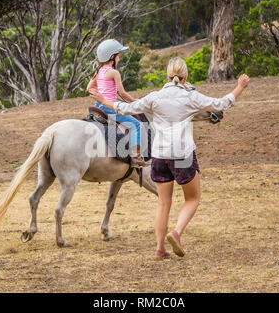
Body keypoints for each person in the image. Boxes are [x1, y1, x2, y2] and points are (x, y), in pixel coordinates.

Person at [89, 57, 250, 259]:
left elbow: (126, 108)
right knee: (192, 198)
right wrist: (240, 87)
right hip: (182, 156)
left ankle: (159, 249)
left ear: (167, 75)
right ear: (186, 77)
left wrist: (103, 101)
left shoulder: (155, 97)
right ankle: (176, 233)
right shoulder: (191, 97)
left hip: (159, 156)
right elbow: (221, 103)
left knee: (164, 203)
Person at [86, 39, 146, 167]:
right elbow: (123, 93)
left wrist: (98, 94)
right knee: (136, 125)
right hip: (110, 107)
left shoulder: (99, 70)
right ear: (112, 57)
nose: (119, 59)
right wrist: (136, 102)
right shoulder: (114, 72)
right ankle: (136, 157)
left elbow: (88, 88)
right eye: (118, 56)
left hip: (98, 105)